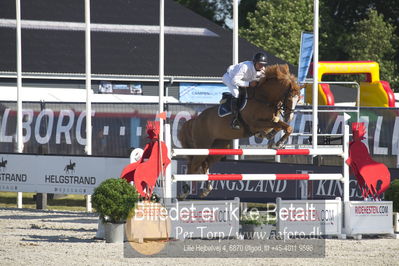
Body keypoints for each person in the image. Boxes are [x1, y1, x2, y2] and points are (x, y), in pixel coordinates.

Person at [222, 52, 268, 129]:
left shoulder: (262, 69)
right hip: (229, 78)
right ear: (254, 62)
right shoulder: (245, 67)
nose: (261, 66)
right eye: (259, 64)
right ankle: (235, 119)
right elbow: (234, 81)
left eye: (263, 64)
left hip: (242, 80)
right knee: (236, 94)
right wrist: (249, 84)